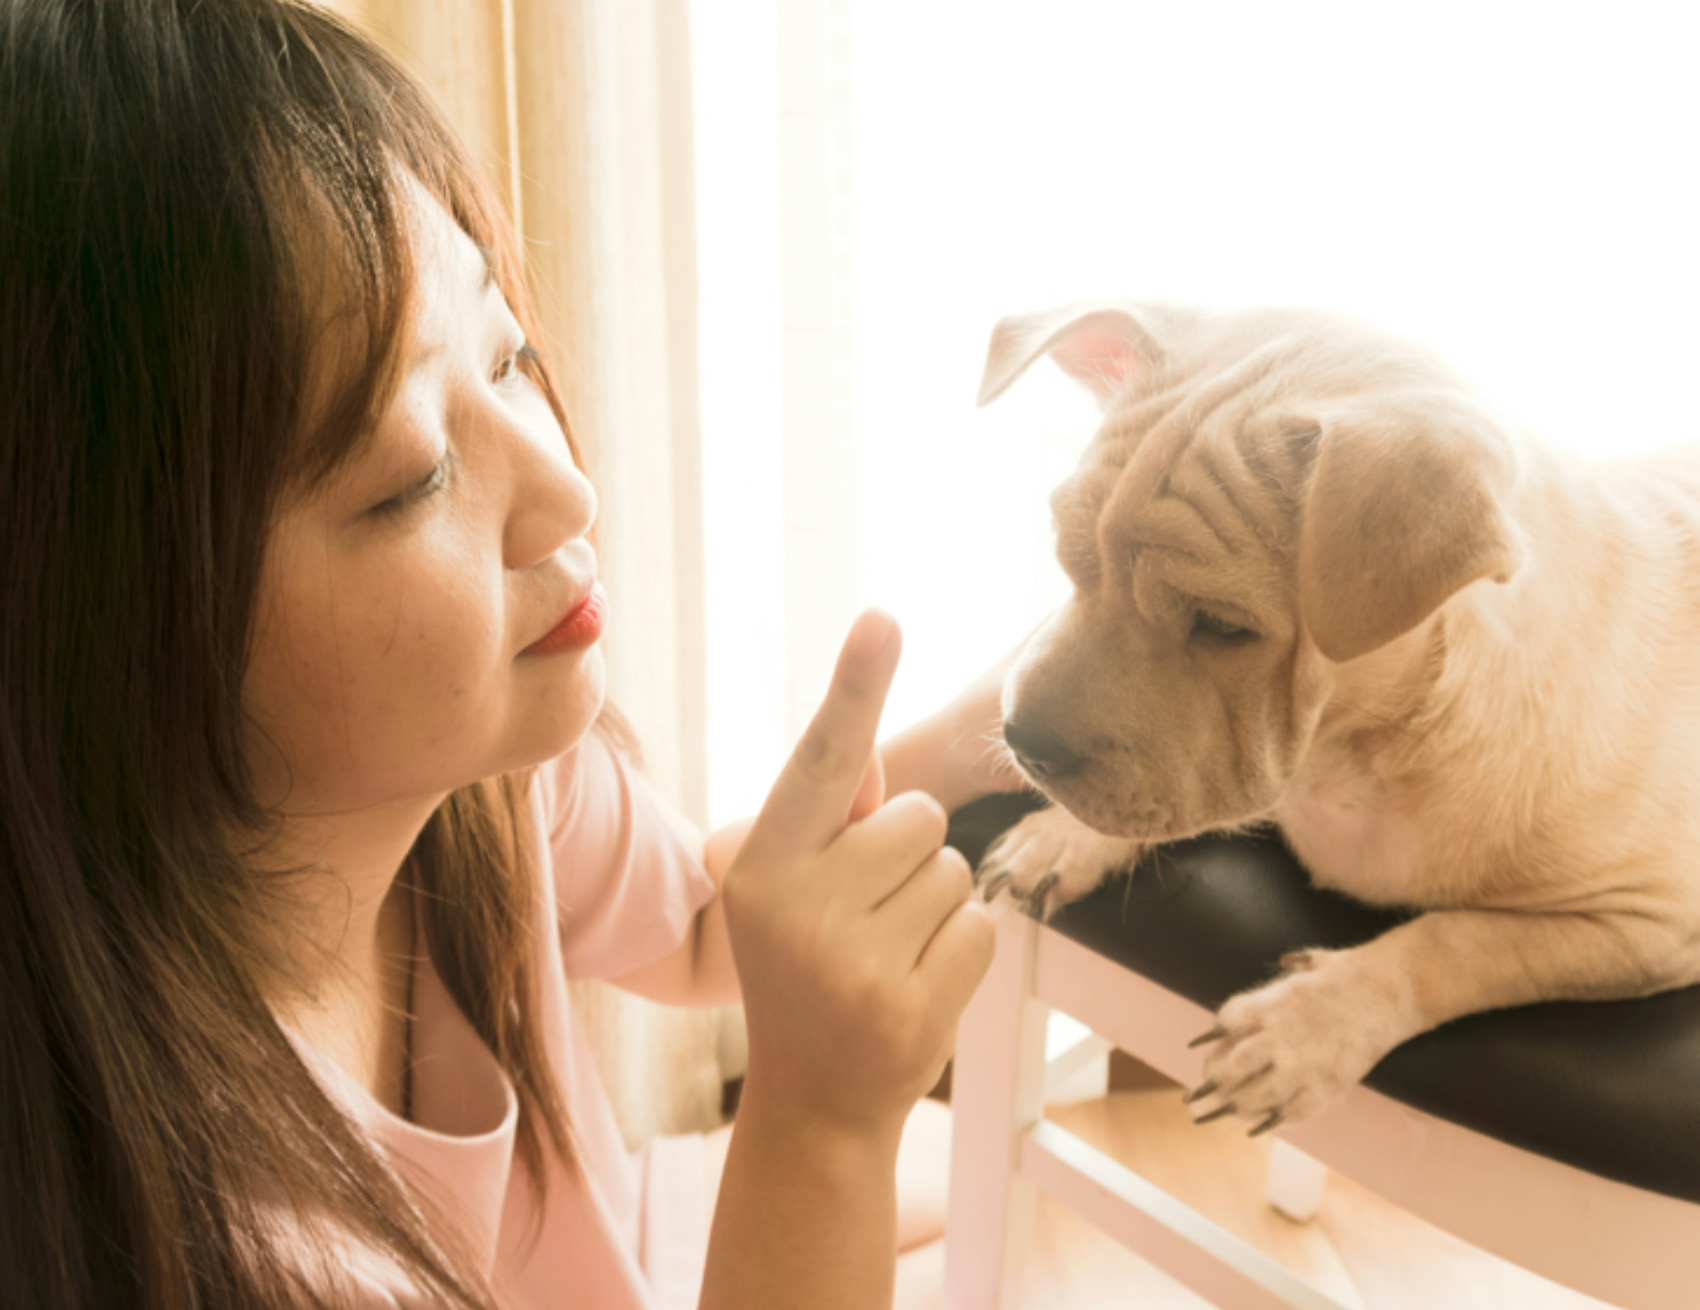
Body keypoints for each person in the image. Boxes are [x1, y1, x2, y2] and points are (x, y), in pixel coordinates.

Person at [0, 1, 1019, 1306]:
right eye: (415, 471)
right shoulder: (218, 1246)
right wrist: (818, 1124)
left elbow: (713, 928)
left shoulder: (486, 790)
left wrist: (1010, 724)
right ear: (135, 639)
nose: (564, 492)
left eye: (510, 353)